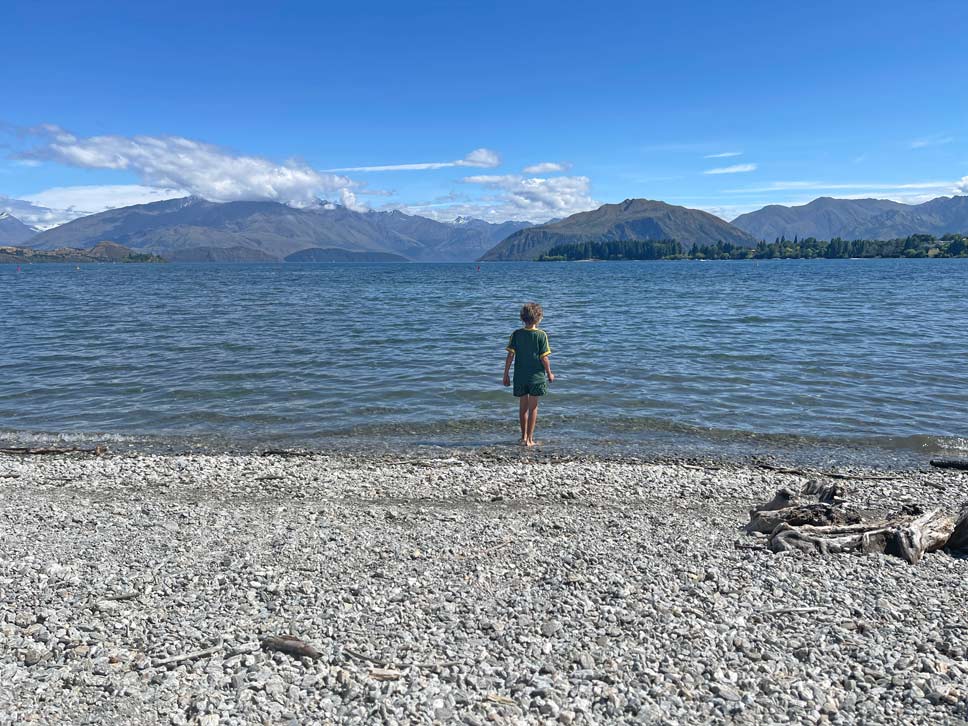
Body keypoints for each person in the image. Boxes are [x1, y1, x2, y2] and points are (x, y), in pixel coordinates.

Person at [503, 302, 554, 446]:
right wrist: (550, 373)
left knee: (522, 407)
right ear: (539, 318)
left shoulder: (516, 334)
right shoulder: (541, 335)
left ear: (522, 318)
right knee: (533, 408)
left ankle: (523, 437)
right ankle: (530, 440)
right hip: (536, 377)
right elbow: (544, 357)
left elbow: (510, 356)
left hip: (520, 376)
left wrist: (505, 374)